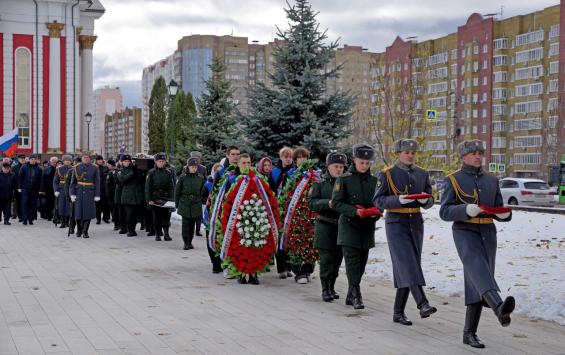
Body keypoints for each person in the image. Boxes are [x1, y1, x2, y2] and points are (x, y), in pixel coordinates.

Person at [440, 140, 514, 349]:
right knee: (478, 270)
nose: (478, 156)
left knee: (477, 280)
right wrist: (464, 210)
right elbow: (444, 211)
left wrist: (504, 214)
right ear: (463, 157)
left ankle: (469, 333)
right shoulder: (452, 180)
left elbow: (497, 207)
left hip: (488, 232)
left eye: (480, 153)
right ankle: (499, 307)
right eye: (473, 153)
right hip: (465, 231)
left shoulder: (492, 180)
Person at [373, 139, 437, 326]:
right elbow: (378, 201)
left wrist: (427, 202)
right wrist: (398, 200)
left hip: (415, 222)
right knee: (408, 263)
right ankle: (422, 303)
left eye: (413, 152)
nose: (410, 155)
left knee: (409, 265)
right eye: (406, 152)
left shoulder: (422, 174)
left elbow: (430, 197)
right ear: (398, 154)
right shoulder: (387, 174)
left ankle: (398, 312)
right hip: (396, 223)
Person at [331, 144, 381, 309]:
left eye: (367, 163)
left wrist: (376, 212)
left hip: (366, 228)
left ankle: (350, 294)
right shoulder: (344, 179)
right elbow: (337, 203)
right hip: (349, 227)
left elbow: (379, 202)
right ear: (354, 160)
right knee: (352, 262)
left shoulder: (374, 181)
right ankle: (357, 295)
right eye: (362, 162)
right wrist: (354, 211)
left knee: (361, 263)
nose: (365, 166)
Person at [307, 151, 347, 302]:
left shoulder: (345, 183)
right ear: (329, 167)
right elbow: (311, 202)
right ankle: (325, 288)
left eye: (341, 167)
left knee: (337, 260)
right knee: (326, 260)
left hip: (341, 227)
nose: (339, 169)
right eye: (336, 166)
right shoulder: (319, 183)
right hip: (324, 226)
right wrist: (327, 203)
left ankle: (332, 286)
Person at [272, 147, 295, 279]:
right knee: (280, 237)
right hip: (278, 207)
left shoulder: (294, 171)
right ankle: (281, 267)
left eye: (290, 157)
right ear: (281, 157)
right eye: (285, 156)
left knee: (289, 237)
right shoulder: (275, 171)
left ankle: (289, 266)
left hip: (290, 207)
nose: (288, 159)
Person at [175, 157, 206, 250]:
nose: (194, 168)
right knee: (185, 223)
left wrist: (199, 199)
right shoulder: (182, 177)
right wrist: (177, 205)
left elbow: (202, 191)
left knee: (193, 224)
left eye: (195, 167)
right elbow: (177, 192)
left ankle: (190, 242)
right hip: (185, 202)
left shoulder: (200, 177)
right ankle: (185, 242)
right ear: (188, 167)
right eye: (192, 166)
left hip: (195, 203)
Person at [69, 153, 100, 238]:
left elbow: (97, 182)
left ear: (89, 158)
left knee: (87, 212)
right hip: (78, 192)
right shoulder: (76, 167)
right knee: (78, 212)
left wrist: (97, 194)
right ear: (81, 158)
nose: (86, 159)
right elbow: (72, 182)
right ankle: (79, 230)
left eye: (87, 157)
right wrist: (72, 194)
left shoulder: (94, 168)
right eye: (84, 157)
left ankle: (85, 231)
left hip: (90, 192)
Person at [145, 153, 175, 241]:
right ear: (156, 162)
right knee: (156, 217)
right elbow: (148, 187)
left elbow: (171, 187)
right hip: (155, 198)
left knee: (166, 217)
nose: (161, 163)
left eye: (163, 161)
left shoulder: (168, 172)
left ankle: (166, 234)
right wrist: (149, 199)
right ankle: (157, 234)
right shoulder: (151, 172)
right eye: (160, 161)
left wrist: (172, 199)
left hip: (166, 198)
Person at [116, 155, 139, 237]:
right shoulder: (119, 171)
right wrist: (132, 173)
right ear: (122, 162)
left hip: (136, 195)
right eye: (125, 161)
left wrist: (134, 170)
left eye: (128, 161)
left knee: (134, 214)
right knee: (128, 214)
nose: (127, 163)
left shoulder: (134, 169)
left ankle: (132, 229)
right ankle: (129, 230)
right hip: (126, 195)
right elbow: (122, 179)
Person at [18, 154, 44, 225]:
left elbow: (41, 180)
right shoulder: (24, 167)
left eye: (34, 159)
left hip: (34, 189)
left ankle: (31, 219)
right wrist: (19, 187)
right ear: (29, 160)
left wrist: (41, 189)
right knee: (24, 204)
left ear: (36, 160)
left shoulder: (39, 168)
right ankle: (25, 219)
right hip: (25, 188)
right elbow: (20, 177)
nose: (33, 160)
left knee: (33, 204)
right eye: (32, 159)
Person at [190, 151, 207, 236]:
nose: (196, 160)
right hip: (190, 194)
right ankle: (191, 229)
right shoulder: (187, 167)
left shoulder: (203, 168)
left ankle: (198, 230)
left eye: (198, 158)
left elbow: (205, 180)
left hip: (200, 193)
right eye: (195, 158)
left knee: (199, 213)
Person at [53, 155, 73, 228]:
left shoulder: (74, 169)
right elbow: (55, 181)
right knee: (61, 206)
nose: (67, 161)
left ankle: (68, 221)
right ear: (63, 161)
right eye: (65, 160)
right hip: (61, 189)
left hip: (70, 189)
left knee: (68, 206)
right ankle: (62, 221)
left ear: (71, 161)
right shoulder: (59, 169)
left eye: (69, 160)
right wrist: (56, 190)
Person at [40, 156, 58, 221]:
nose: (54, 163)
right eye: (53, 162)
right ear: (50, 162)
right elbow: (43, 180)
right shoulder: (46, 169)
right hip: (48, 188)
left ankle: (56, 215)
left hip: (56, 188)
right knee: (48, 203)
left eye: (55, 162)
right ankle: (49, 215)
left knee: (56, 203)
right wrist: (42, 190)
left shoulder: (58, 168)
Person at [95, 155, 110, 224]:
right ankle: (98, 219)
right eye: (98, 160)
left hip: (105, 188)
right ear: (96, 161)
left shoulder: (106, 167)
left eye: (101, 159)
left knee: (106, 205)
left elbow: (108, 177)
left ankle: (105, 218)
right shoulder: (94, 168)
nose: (100, 161)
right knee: (98, 205)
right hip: (97, 189)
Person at [11, 154, 26, 220]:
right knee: (19, 202)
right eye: (21, 158)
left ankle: (26, 215)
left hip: (26, 187)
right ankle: (20, 216)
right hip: (17, 188)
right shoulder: (14, 168)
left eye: (23, 158)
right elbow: (12, 178)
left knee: (26, 202)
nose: (22, 159)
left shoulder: (27, 166)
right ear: (18, 159)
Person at [105, 159, 119, 230]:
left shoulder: (111, 173)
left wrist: (108, 195)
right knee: (116, 210)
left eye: (108, 165)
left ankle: (116, 224)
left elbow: (107, 184)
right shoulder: (118, 171)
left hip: (113, 194)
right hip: (114, 194)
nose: (107, 166)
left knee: (114, 210)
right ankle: (117, 224)